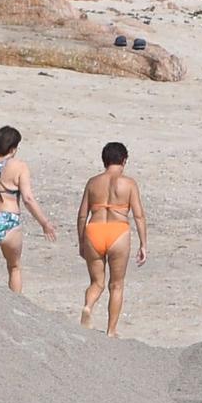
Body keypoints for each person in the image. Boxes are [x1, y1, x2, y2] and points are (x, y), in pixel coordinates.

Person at [0, 126, 57, 294]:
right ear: (13, 147)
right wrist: (44, 223)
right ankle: (15, 309)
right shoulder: (20, 166)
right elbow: (28, 199)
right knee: (14, 266)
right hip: (8, 220)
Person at [75, 142, 147, 338]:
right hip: (118, 232)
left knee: (97, 282)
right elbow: (139, 215)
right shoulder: (129, 183)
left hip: (95, 230)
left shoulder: (93, 182)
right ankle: (111, 330)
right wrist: (143, 244)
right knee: (117, 284)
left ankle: (88, 306)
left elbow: (82, 215)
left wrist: (82, 241)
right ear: (124, 160)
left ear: (104, 160)